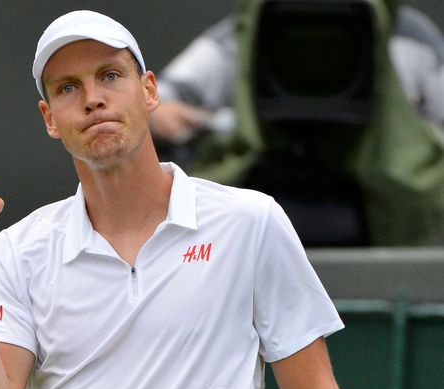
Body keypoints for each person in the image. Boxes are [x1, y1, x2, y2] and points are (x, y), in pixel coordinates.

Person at [0, 10, 366, 389]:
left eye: (110, 76)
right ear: (49, 118)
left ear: (149, 91)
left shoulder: (250, 222)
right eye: (67, 88)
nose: (93, 99)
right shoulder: (17, 253)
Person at [150, 0, 444, 247]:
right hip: (262, 194)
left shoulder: (409, 36)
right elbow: (156, 104)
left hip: (384, 198)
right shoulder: (246, 31)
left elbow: (155, 101)